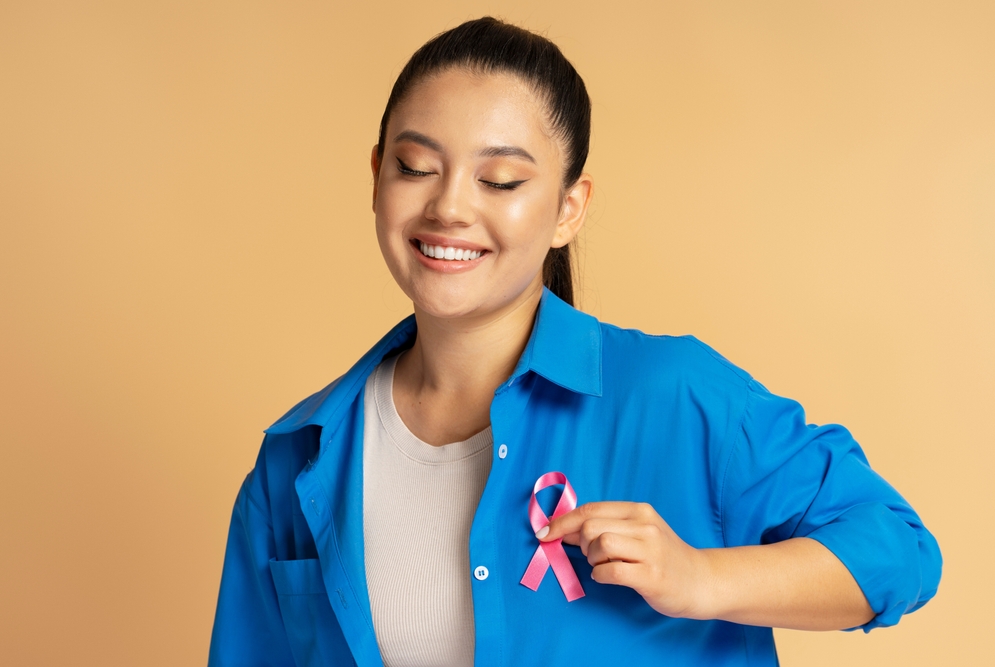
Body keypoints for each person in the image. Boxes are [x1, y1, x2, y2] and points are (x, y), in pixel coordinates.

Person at [208, 16, 941, 667]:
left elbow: (898, 547)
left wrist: (704, 579)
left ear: (568, 209)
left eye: (500, 180)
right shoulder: (296, 460)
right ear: (377, 177)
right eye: (416, 167)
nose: (450, 206)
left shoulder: (674, 396)